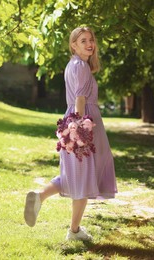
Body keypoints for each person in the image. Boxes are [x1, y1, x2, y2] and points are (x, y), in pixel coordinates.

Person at [24, 27, 118, 241]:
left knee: (75, 174)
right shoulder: (80, 65)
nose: (89, 43)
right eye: (83, 40)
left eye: (91, 39)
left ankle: (39, 197)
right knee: (84, 177)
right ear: (73, 45)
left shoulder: (74, 65)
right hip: (83, 120)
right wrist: (79, 127)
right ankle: (74, 232)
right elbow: (80, 99)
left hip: (77, 119)